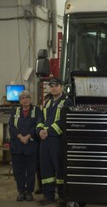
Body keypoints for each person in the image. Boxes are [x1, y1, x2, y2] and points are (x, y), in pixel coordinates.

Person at [36, 78, 73, 206]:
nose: (53, 88)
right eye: (51, 86)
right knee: (46, 169)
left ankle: (63, 197)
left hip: (57, 141)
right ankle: (48, 196)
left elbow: (64, 121)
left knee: (60, 168)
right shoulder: (48, 102)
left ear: (61, 87)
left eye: (56, 85)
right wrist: (40, 130)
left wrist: (48, 131)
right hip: (45, 141)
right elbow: (41, 118)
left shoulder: (67, 102)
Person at [8, 90, 42, 202]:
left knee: (31, 170)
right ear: (20, 100)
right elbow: (11, 126)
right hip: (17, 146)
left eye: (27, 97)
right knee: (18, 171)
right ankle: (21, 192)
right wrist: (20, 136)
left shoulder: (36, 110)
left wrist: (27, 136)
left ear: (30, 99)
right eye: (22, 98)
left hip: (31, 145)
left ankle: (29, 192)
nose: (25, 99)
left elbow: (38, 124)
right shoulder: (15, 111)